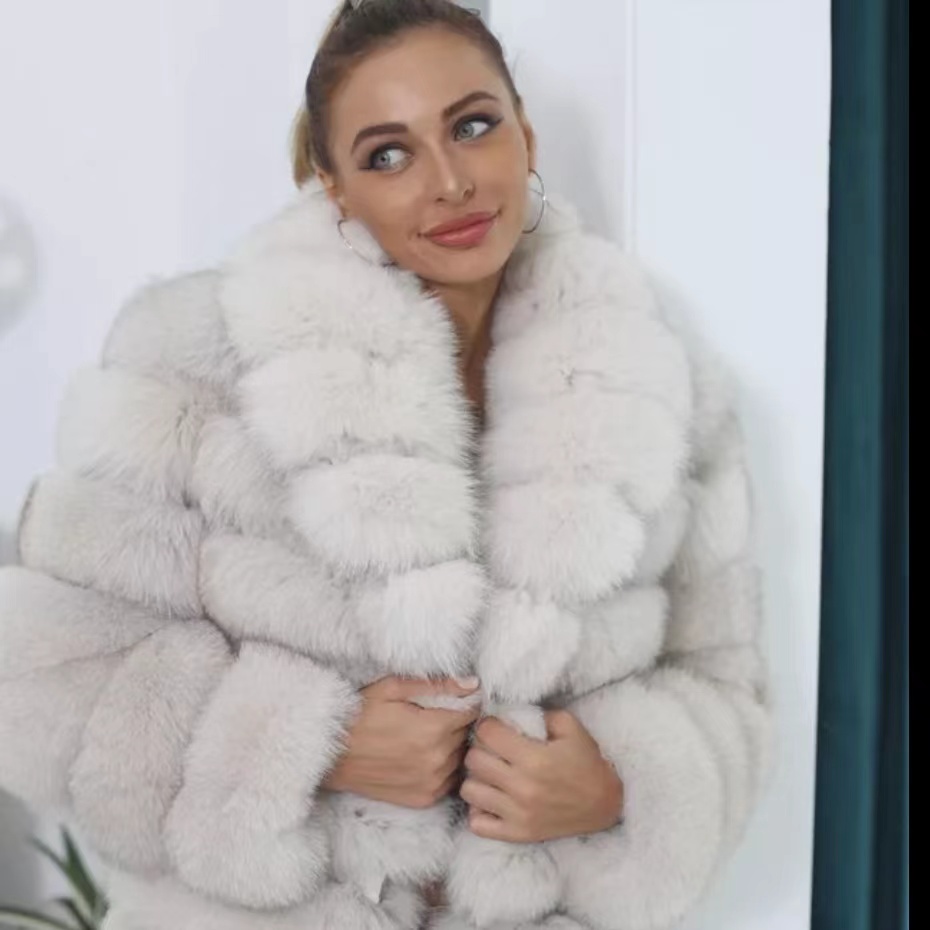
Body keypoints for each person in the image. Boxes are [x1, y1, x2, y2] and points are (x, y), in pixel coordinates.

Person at [0, 1, 774, 928]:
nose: (449, 182)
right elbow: (37, 682)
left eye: (473, 127)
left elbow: (725, 681)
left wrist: (619, 786)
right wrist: (308, 745)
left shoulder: (659, 380)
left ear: (525, 135)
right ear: (333, 187)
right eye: (388, 154)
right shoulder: (197, 361)